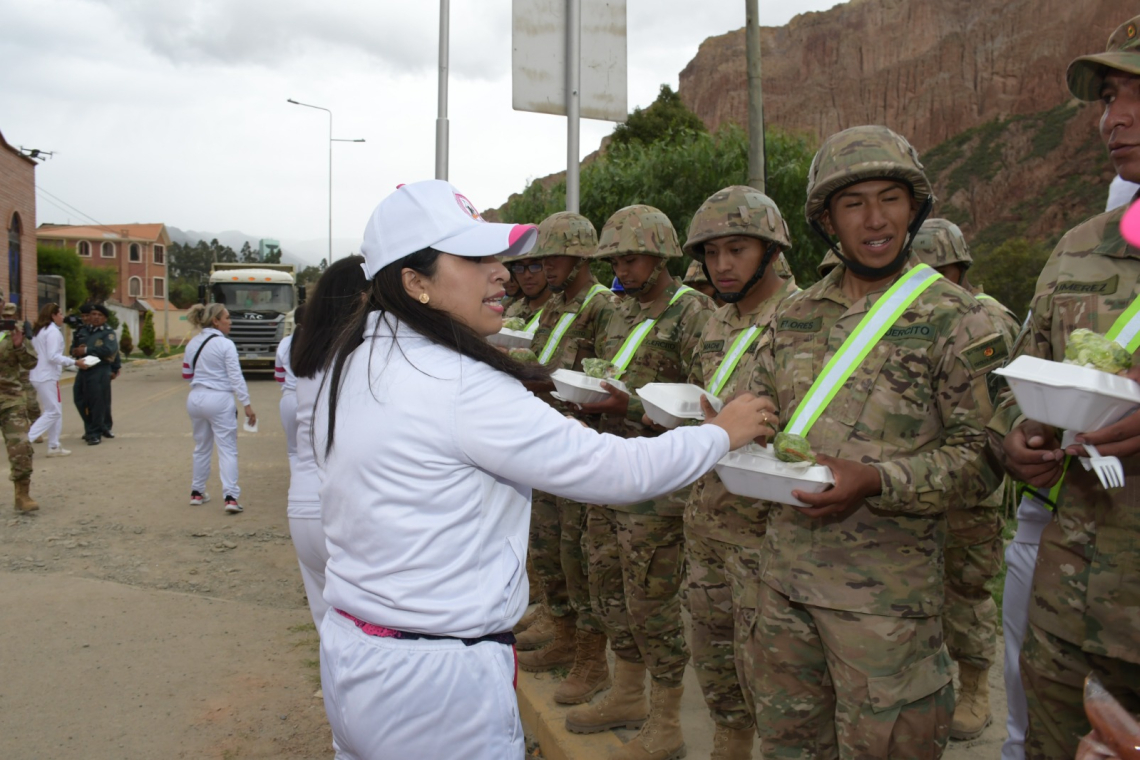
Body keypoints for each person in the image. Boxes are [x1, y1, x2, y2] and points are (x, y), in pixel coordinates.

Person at [311, 179, 776, 760]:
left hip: (360, 654)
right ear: (415, 282)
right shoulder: (457, 383)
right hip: (435, 684)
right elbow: (616, 470)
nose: (503, 272)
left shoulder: (360, 354)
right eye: (477, 258)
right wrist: (720, 434)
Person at [743, 125, 1005, 759]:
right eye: (853, 203)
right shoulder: (796, 312)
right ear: (827, 219)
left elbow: (986, 457)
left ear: (914, 208)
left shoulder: (957, 317)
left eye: (890, 197)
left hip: (888, 612)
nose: (875, 218)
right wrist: (726, 425)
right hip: (782, 590)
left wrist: (879, 481)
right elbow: (757, 411)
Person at [991, 16, 1140, 759]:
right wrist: (1016, 438)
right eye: (1110, 96)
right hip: (1065, 610)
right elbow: (1019, 379)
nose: (1115, 117)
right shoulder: (1079, 249)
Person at [564, 205, 716, 760]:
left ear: (661, 255)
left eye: (629, 258)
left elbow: (708, 402)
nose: (621, 270)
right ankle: (627, 693)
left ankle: (666, 718)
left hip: (660, 489)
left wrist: (639, 407)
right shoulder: (619, 312)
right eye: (615, 261)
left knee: (653, 601)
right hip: (611, 470)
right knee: (609, 588)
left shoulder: (693, 312)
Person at [681, 186, 798, 760]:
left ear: (771, 251)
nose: (722, 265)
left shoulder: (804, 320)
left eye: (737, 250)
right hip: (708, 523)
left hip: (769, 538)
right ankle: (728, 745)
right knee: (715, 662)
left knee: (775, 683)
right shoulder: (715, 322)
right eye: (711, 253)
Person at [906, 218, 1021, 741]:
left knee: (966, 587)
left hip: (969, 484)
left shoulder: (984, 320)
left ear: (957, 268)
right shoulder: (909, 314)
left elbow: (989, 412)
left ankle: (974, 685)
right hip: (912, 480)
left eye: (934, 269)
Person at [513, 212, 618, 705]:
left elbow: (600, 373)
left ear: (579, 259)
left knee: (579, 556)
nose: (543, 268)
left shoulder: (602, 307)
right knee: (549, 544)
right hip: (543, 440)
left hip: (577, 441)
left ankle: (590, 659)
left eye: (553, 257)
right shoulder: (556, 306)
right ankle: (561, 630)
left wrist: (533, 374)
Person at [288, 258, 368, 629]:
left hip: (303, 505)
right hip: (342, 507)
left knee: (330, 632)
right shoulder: (362, 357)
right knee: (366, 636)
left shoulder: (310, 354)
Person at [182, 303, 256, 514]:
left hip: (195, 397)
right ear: (216, 320)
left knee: (201, 447)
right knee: (227, 449)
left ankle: (197, 492)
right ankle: (230, 497)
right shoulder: (225, 345)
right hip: (219, 398)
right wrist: (247, 404)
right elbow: (236, 377)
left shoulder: (192, 343)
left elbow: (187, 374)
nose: (230, 322)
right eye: (227, 318)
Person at [0, 316, 39, 512]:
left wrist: (19, 346)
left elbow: (31, 363)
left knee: (21, 447)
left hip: (10, 399)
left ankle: (22, 495)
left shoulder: (13, 331)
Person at [27, 303, 76, 457]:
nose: (62, 317)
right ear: (53, 315)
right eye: (60, 313)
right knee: (53, 411)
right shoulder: (53, 332)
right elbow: (53, 356)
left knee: (56, 410)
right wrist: (73, 362)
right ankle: (26, 440)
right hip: (46, 376)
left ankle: (54, 446)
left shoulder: (39, 331)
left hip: (41, 375)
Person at [73, 304, 120, 445]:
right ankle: (92, 427)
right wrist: (76, 351)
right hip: (83, 369)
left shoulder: (108, 333)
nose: (96, 317)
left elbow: (109, 349)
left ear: (105, 318)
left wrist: (87, 350)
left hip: (100, 370)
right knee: (79, 399)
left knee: (98, 402)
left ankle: (95, 432)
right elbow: (74, 348)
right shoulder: (82, 331)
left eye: (99, 315)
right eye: (93, 314)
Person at [275, 304, 305, 470]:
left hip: (289, 398)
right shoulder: (319, 341)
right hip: (311, 399)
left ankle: (296, 483)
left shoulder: (284, 343)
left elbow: (279, 375)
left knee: (293, 450)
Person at [504, 255, 552, 328]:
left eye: (535, 266)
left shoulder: (560, 310)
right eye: (518, 268)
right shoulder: (513, 311)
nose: (527, 276)